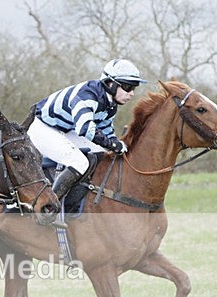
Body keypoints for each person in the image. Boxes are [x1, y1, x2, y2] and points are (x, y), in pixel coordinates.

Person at [29, 58, 147, 201]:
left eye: (133, 88)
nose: (132, 93)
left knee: (102, 153)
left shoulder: (110, 105)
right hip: (43, 128)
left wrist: (115, 143)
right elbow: (86, 129)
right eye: (128, 87)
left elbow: (105, 128)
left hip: (66, 129)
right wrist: (112, 145)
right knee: (80, 162)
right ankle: (49, 206)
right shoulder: (87, 95)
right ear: (110, 84)